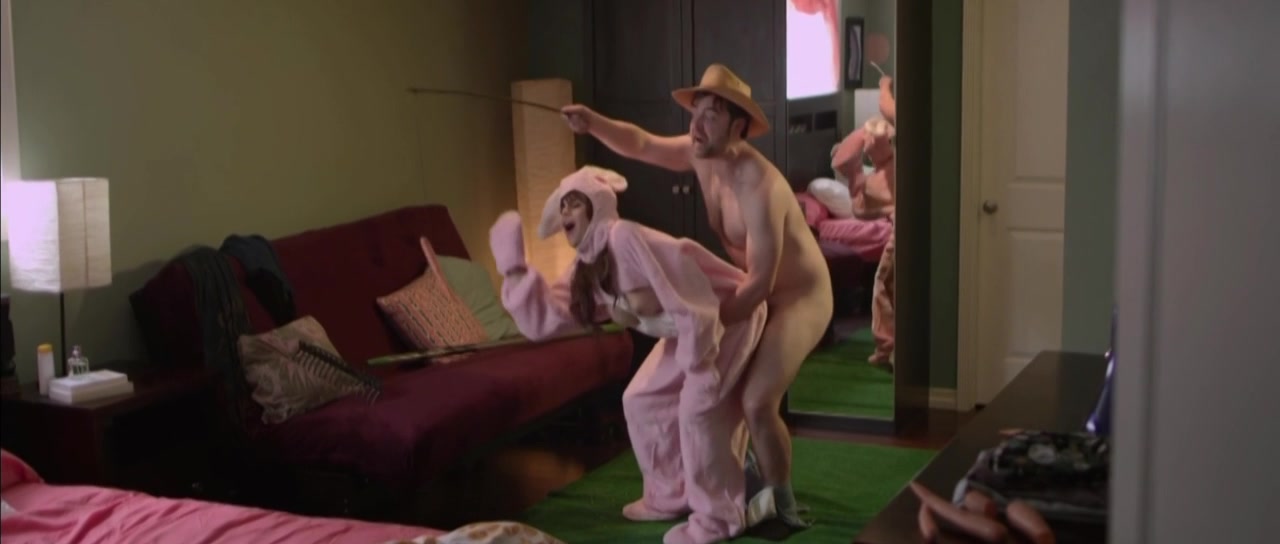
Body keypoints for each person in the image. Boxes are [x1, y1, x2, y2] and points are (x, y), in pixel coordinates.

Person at [561, 63, 833, 527]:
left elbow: (761, 284)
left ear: (738, 126)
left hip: (798, 296)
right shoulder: (700, 154)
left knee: (756, 400)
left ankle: (783, 505)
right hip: (748, 290)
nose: (696, 124)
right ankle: (733, 481)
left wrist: (698, 325)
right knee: (713, 387)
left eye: (711, 115)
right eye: (696, 111)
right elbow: (641, 143)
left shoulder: (760, 186)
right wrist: (593, 122)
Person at [490, 165, 769, 544]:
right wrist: (515, 272)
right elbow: (548, 321)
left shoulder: (623, 237)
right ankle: (668, 495)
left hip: (726, 316)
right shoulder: (586, 264)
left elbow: (693, 301)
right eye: (563, 205)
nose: (565, 212)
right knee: (642, 399)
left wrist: (700, 369)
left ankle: (718, 519)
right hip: (684, 328)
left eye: (575, 203)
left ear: (597, 205)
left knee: (697, 412)